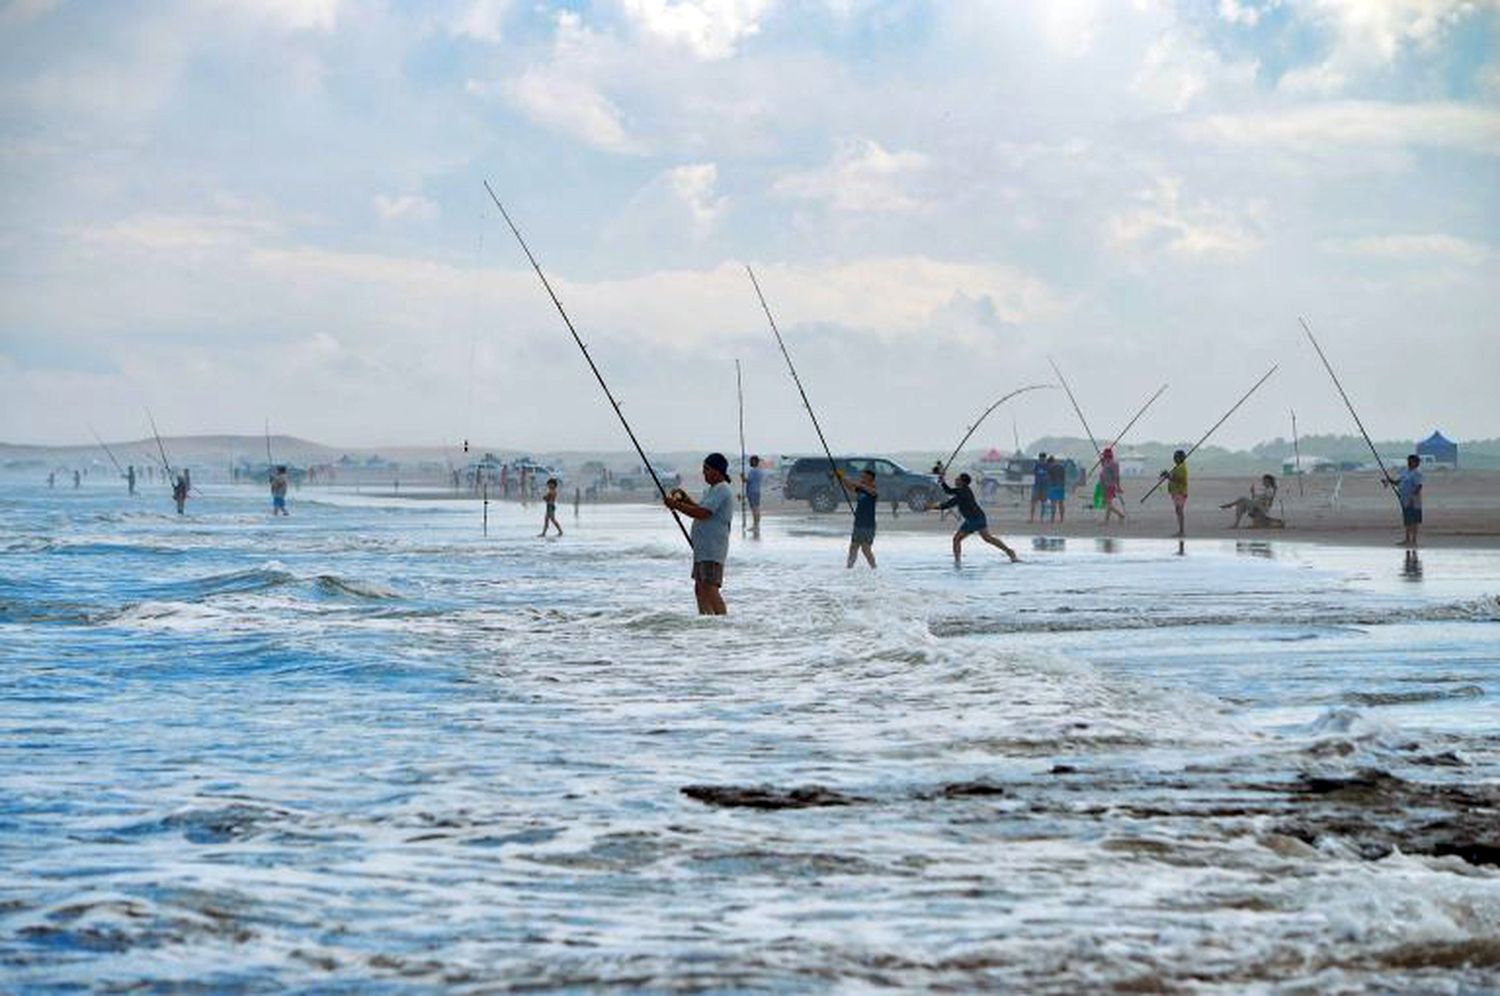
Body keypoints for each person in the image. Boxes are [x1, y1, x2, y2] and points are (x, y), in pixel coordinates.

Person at [664, 453, 734, 615]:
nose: (704, 473)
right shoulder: (711, 490)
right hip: (702, 550)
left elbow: (703, 513)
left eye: (706, 469)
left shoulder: (722, 489)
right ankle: (706, 623)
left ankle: (723, 622)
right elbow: (700, 508)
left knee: (710, 588)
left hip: (712, 550)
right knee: (700, 588)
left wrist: (675, 505)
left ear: (717, 471)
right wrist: (685, 500)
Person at [937, 471, 1018, 567]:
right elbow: (949, 491)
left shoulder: (962, 492)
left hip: (974, 519)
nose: (956, 479)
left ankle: (957, 563)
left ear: (962, 482)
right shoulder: (963, 489)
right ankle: (1009, 551)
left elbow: (948, 501)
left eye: (958, 479)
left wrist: (932, 506)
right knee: (988, 538)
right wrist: (942, 482)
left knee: (957, 539)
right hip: (977, 517)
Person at [835, 466, 878, 569]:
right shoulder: (861, 489)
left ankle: (874, 568)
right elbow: (850, 487)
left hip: (868, 524)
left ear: (870, 479)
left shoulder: (873, 490)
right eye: (861, 477)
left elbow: (861, 487)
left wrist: (847, 479)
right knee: (853, 547)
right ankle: (849, 567)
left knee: (865, 548)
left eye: (864, 477)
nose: (861, 479)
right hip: (858, 523)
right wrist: (841, 478)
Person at [1389, 454, 1423, 548]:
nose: (1408, 463)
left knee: (1414, 520)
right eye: (1408, 461)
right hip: (1404, 499)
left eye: (1411, 461)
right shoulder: (1406, 472)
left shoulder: (1417, 473)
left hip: (1413, 500)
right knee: (1407, 520)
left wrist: (1413, 497)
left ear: (1416, 463)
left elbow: (1419, 486)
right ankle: (1407, 539)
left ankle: (1414, 540)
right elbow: (1398, 482)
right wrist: (1390, 481)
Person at [1160, 449, 1188, 538]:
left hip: (1180, 492)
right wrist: (1167, 475)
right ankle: (1180, 530)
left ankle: (1181, 531)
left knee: (1179, 510)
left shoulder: (1181, 468)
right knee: (1178, 510)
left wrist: (1168, 476)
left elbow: (1179, 479)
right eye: (1174, 457)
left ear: (1181, 458)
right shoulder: (1178, 467)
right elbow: (1174, 476)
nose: (1174, 459)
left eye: (1176, 457)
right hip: (1176, 492)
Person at [1099, 448, 1125, 525]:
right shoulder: (1106, 463)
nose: (1104, 457)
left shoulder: (1114, 464)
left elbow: (1116, 476)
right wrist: (1102, 461)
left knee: (1108, 504)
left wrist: (1118, 487)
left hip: (1109, 486)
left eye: (1105, 455)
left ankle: (1120, 515)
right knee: (1108, 504)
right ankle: (1106, 521)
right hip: (1104, 485)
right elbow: (1104, 469)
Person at [745, 455, 765, 536]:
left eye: (751, 461)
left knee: (754, 509)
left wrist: (743, 478)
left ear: (754, 462)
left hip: (752, 491)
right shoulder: (759, 471)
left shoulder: (753, 471)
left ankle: (755, 525)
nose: (749, 462)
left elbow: (748, 481)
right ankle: (756, 525)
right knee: (756, 508)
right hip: (757, 491)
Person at [1046, 455, 1066, 524]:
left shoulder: (1050, 468)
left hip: (1053, 486)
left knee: (1053, 503)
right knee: (1061, 503)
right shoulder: (1061, 467)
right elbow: (1063, 477)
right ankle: (1061, 519)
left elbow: (1049, 478)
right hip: (1061, 486)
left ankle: (1052, 519)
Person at [1029, 453, 1048, 522]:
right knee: (1038, 503)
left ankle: (1036, 518)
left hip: (1040, 486)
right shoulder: (1039, 465)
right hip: (1040, 486)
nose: (1042, 460)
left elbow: (1033, 472)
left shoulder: (1042, 465)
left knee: (1040, 503)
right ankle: (1037, 518)